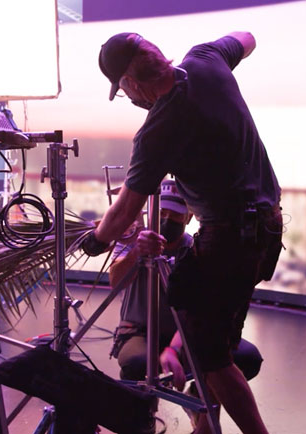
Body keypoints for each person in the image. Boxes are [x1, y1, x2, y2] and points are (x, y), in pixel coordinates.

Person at [81, 32, 283, 434]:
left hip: (228, 239)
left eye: (123, 91)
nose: (130, 98)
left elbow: (125, 209)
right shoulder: (207, 59)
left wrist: (96, 240)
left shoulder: (159, 128)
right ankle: (205, 427)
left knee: (210, 357)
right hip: (266, 231)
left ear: (132, 84)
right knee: (206, 334)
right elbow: (247, 38)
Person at [109, 180, 264, 429]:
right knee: (136, 363)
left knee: (244, 357)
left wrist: (173, 348)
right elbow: (114, 282)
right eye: (163, 212)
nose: (167, 218)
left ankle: (204, 409)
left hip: (188, 332)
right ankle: (140, 417)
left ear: (189, 216)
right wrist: (137, 253)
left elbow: (203, 308)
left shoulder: (197, 249)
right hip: (139, 330)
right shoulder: (133, 241)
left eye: (176, 214)